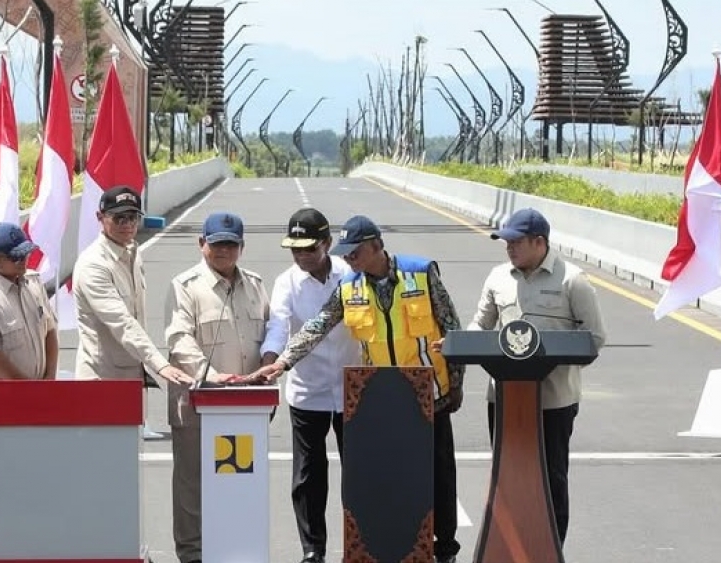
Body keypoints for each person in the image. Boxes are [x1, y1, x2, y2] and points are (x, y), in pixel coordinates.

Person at [252, 214, 465, 563]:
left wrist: (456, 383)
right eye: (346, 253)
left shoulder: (421, 273)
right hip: (381, 398)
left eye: (356, 252)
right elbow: (318, 326)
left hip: (429, 394)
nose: (349, 258)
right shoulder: (349, 286)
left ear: (377, 246)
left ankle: (445, 550)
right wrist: (283, 362)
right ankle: (398, 547)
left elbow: (452, 327)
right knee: (392, 477)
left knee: (438, 474)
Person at [466, 207, 606, 545]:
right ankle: (511, 549)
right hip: (504, 398)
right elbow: (481, 324)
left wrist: (557, 357)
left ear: (539, 242)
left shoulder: (572, 280)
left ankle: (551, 549)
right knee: (508, 476)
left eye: (516, 242)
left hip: (554, 400)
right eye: (506, 242)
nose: (509, 248)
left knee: (550, 479)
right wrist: (462, 342)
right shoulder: (498, 277)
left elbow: (594, 337)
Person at [165, 211, 270, 563]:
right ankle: (192, 554)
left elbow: (270, 332)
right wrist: (210, 375)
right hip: (199, 403)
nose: (223, 250)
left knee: (240, 481)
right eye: (216, 244)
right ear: (201, 244)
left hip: (245, 409)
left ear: (241, 247)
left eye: (230, 244)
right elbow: (179, 340)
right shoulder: (185, 286)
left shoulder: (255, 285)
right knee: (192, 485)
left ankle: (238, 547)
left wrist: (269, 364)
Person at [260, 208, 359, 563]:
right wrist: (270, 361)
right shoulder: (286, 282)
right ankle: (313, 549)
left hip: (353, 386)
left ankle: (360, 543)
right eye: (295, 250)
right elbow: (278, 325)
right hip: (307, 387)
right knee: (308, 475)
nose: (302, 256)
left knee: (358, 470)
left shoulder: (350, 275)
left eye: (309, 249)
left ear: (327, 244)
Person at [73, 185, 192, 387]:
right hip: (101, 378)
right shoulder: (93, 265)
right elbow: (122, 321)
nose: (127, 224)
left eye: (133, 217)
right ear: (100, 217)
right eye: (119, 218)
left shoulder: (132, 253)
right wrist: (160, 364)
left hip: (134, 373)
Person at [0, 222, 58, 381]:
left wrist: (49, 379)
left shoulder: (34, 282)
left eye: (26, 253)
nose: (23, 260)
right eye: (15, 257)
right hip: (1, 393)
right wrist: (27, 389)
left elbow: (50, 331)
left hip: (40, 388)